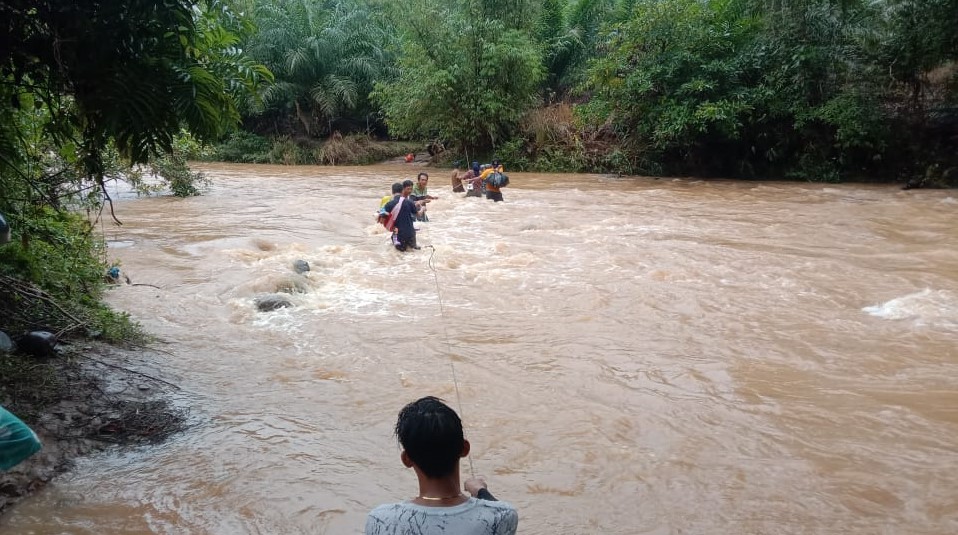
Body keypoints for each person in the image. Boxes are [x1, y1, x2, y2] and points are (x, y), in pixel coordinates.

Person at [365, 396, 518, 535]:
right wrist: (481, 491)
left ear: (406, 459)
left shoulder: (380, 521)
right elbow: (499, 512)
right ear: (464, 449)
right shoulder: (502, 517)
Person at [382, 180, 422, 251]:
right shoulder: (410, 202)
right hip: (411, 234)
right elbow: (418, 215)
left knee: (399, 255)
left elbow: (382, 218)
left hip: (399, 235)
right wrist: (423, 209)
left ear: (392, 192)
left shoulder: (389, 204)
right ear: (402, 191)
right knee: (413, 252)